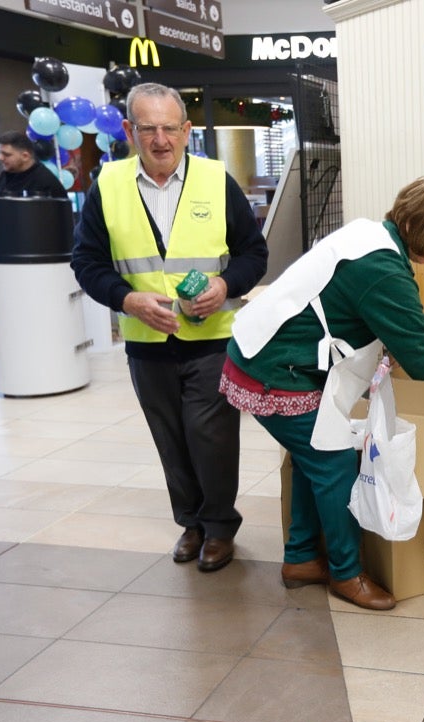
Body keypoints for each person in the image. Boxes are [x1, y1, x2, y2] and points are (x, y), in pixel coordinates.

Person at [222, 175, 424, 610]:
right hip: (273, 370)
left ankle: (301, 558)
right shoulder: (381, 269)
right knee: (334, 459)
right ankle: (346, 573)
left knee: (312, 457)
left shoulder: (370, 235)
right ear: (421, 229)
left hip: (265, 355)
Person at [71, 83, 268, 573]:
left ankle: (220, 527)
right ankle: (192, 523)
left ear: (186, 131)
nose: (161, 139)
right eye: (148, 128)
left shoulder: (215, 179)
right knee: (170, 438)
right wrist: (127, 299)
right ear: (130, 132)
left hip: (211, 340)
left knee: (212, 437)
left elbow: (254, 255)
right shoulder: (109, 184)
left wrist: (224, 286)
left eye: (169, 128)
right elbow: (87, 262)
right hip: (146, 344)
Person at [0, 131, 68, 198]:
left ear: (25, 156)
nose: (0, 158)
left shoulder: (44, 181)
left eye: (6, 154)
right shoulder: (5, 175)